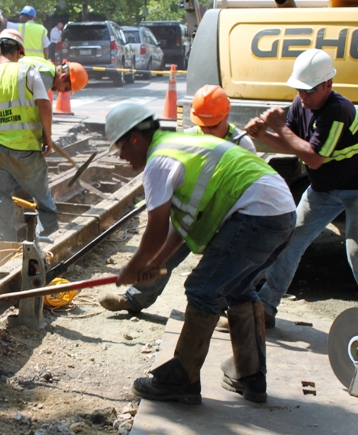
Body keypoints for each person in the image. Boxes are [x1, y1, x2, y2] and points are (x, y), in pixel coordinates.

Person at [105, 103, 296, 404]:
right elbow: (182, 228)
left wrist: (134, 267)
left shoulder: (159, 161)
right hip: (282, 211)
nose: (121, 156)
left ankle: (182, 378)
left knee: (202, 288)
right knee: (239, 289)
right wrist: (155, 264)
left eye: (120, 147)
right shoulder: (184, 145)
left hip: (257, 213)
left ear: (135, 139)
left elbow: (155, 230)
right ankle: (251, 377)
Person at [245, 48, 358, 329]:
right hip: (325, 189)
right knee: (289, 242)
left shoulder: (337, 110)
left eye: (310, 90)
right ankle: (265, 308)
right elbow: (292, 145)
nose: (304, 96)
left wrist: (278, 126)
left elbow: (313, 157)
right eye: (300, 89)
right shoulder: (301, 103)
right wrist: (263, 134)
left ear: (329, 85)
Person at [97, 85, 257, 318]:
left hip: (228, 214)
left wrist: (132, 266)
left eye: (213, 125)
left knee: (219, 268)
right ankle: (135, 298)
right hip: (196, 211)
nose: (207, 131)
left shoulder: (242, 144)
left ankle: (223, 309)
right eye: (203, 125)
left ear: (226, 117)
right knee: (166, 250)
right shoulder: (188, 138)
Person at [0, 30, 58, 241]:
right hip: (25, 148)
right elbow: (44, 106)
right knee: (43, 200)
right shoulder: (28, 71)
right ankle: (44, 247)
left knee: (1, 200)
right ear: (20, 51)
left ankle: (6, 249)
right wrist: (47, 137)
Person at [19, 55, 88, 94]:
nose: (63, 92)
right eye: (66, 89)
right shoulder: (47, 79)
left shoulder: (47, 65)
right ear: (63, 76)